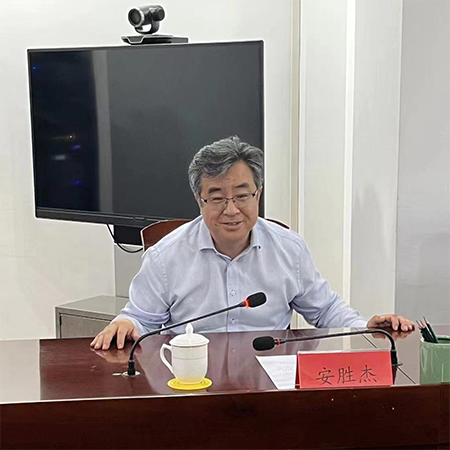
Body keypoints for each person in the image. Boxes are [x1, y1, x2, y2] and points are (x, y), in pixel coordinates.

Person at [91, 136, 414, 351]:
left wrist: (365, 327)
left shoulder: (288, 249)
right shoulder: (166, 256)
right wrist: (125, 323)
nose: (231, 210)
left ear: (258, 195)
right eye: (217, 198)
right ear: (199, 200)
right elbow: (141, 318)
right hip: (191, 381)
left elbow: (325, 309)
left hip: (270, 379)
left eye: (242, 196)